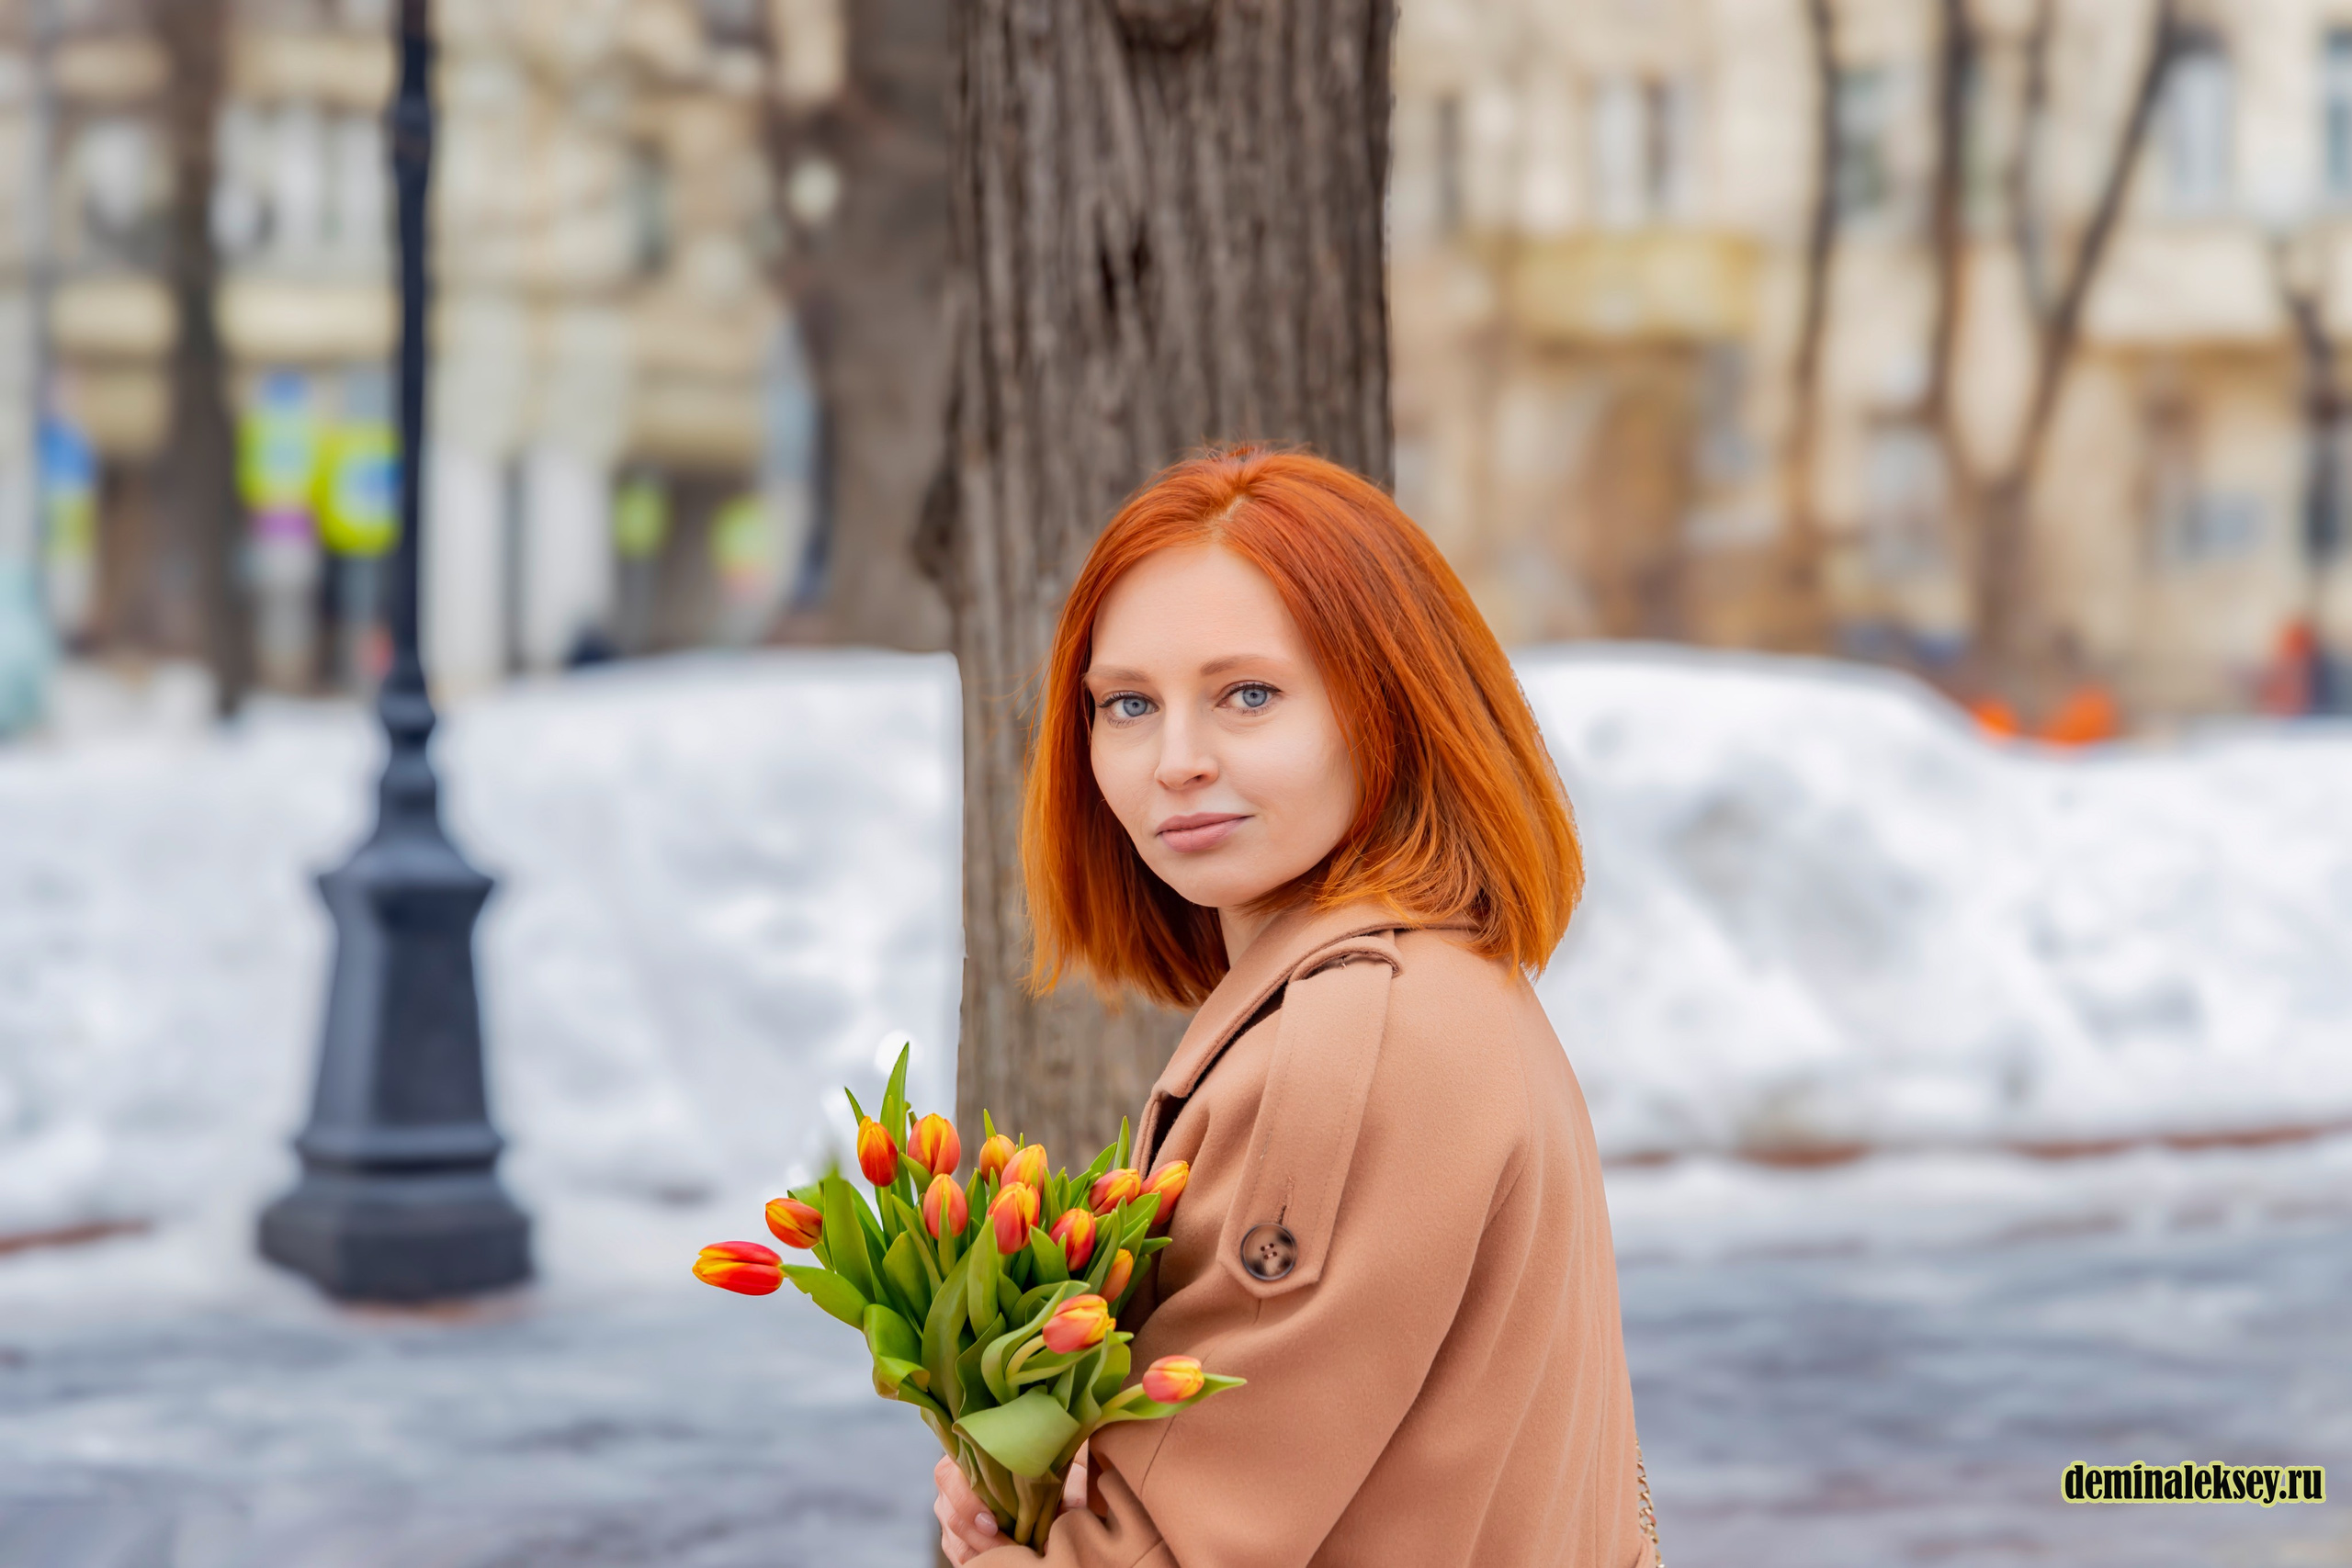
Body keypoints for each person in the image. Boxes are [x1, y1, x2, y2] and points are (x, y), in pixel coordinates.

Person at [935, 448, 1657, 1568]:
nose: (1175, 760)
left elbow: (1180, 1550)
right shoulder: (1444, 987)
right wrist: (1057, 1489)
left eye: (1249, 695)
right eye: (1128, 704)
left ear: (1388, 707)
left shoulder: (1354, 1046)